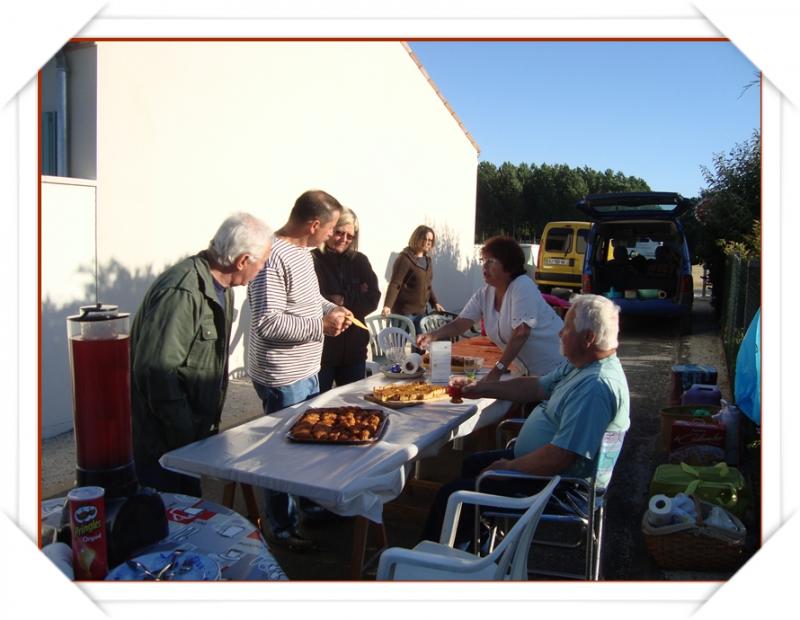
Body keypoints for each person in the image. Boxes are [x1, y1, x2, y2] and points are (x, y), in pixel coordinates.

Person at [421, 294, 630, 545]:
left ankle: (442, 561)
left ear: (588, 338)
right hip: (551, 472)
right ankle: (472, 547)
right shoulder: (582, 365)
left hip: (565, 487)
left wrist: (508, 468)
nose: (560, 333)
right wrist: (479, 388)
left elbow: (558, 458)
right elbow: (535, 387)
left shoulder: (595, 387)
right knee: (472, 465)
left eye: (567, 328)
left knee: (452, 495)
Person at [130, 212, 273, 496]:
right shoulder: (182, 291)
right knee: (168, 515)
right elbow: (156, 374)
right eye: (263, 262)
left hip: (188, 442)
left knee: (190, 511)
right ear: (242, 260)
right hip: (164, 447)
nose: (263, 269)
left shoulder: (222, 287)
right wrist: (186, 435)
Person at [247, 189, 353, 550]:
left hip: (306, 370)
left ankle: (307, 507)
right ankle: (281, 527)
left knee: (305, 446)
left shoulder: (302, 253)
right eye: (331, 228)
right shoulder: (271, 256)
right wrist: (320, 326)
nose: (332, 235)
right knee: (281, 454)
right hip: (282, 376)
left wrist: (331, 309)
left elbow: (308, 300)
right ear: (313, 224)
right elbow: (268, 322)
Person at [417, 236, 565, 379]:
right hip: (530, 374)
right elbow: (460, 324)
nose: (484, 266)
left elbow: (521, 332)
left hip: (557, 369)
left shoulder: (522, 285)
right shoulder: (485, 294)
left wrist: (498, 369)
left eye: (491, 261)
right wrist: (432, 336)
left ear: (509, 266)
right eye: (483, 261)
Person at [311, 207, 381, 392]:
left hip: (353, 352)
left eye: (350, 236)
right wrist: (355, 294)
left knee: (353, 404)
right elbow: (312, 300)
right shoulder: (313, 260)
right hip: (322, 353)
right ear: (330, 229)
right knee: (317, 405)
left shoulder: (360, 261)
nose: (344, 239)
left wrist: (342, 299)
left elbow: (373, 298)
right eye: (339, 233)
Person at [382, 225, 445, 332]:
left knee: (420, 342)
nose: (428, 242)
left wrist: (435, 303)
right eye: (425, 239)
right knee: (401, 342)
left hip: (421, 314)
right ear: (417, 238)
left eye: (430, 240)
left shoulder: (428, 261)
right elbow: (395, 284)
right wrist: (387, 306)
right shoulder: (404, 259)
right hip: (404, 314)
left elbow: (428, 286)